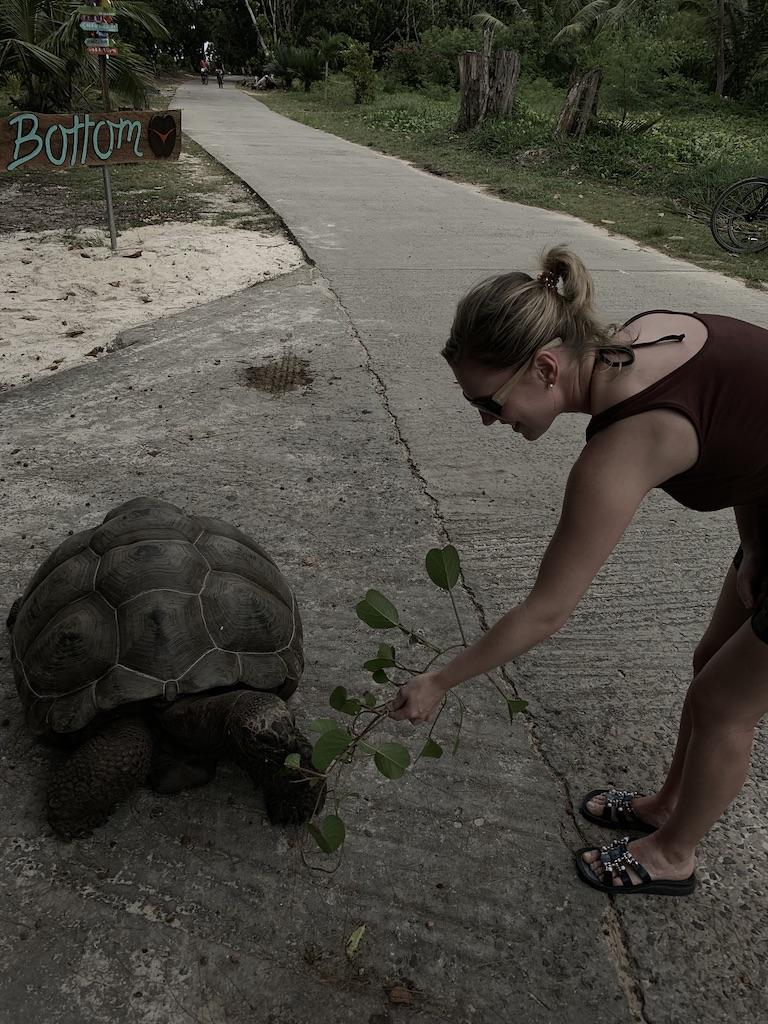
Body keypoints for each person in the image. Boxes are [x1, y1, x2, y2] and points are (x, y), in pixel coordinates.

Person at [388, 245, 768, 897]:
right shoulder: (637, 339)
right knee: (711, 657)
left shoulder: (626, 443)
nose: (485, 420)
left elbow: (547, 609)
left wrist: (440, 681)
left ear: (543, 366)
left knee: (723, 703)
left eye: (489, 401)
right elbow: (752, 440)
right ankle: (666, 804)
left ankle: (673, 855)